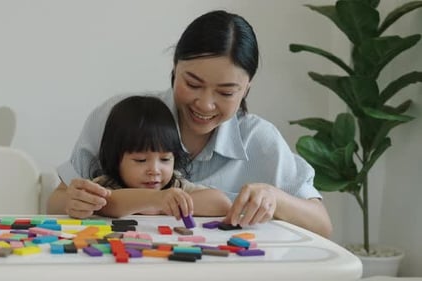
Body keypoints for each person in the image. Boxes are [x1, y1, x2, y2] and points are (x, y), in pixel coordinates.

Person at [47, 10, 332, 238]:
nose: (205, 104)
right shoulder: (120, 117)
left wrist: (274, 198)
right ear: (174, 68)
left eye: (226, 92)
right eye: (193, 83)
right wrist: (76, 202)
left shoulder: (260, 139)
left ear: (246, 89)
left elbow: (322, 225)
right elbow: (56, 202)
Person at [89, 95, 232, 219]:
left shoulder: (175, 185)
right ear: (115, 159)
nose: (155, 170)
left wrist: (165, 206)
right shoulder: (106, 184)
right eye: (141, 160)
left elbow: (222, 203)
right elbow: (107, 204)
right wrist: (156, 200)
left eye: (165, 159)